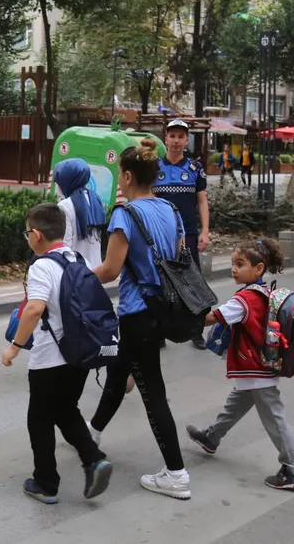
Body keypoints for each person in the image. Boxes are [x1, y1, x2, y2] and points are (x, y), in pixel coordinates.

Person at [86, 137, 192, 500]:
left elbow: (111, 270)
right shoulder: (171, 211)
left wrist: (77, 274)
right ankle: (92, 433)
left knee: (153, 394)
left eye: (119, 174)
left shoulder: (124, 215)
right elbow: (178, 258)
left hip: (137, 313)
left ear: (128, 176)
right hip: (162, 310)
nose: (119, 180)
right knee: (118, 373)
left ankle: (176, 473)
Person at [1, 203, 114, 504]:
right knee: (65, 410)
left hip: (50, 358)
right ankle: (93, 459)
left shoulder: (41, 266)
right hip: (79, 355)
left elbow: (35, 309)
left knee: (38, 418)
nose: (27, 238)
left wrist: (14, 347)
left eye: (27, 233)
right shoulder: (76, 258)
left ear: (37, 235)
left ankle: (45, 482)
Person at [185, 239, 294, 492]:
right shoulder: (262, 292)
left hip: (256, 369)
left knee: (275, 419)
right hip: (255, 368)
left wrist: (181, 320)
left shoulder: (246, 299)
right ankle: (211, 437)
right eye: (232, 263)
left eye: (240, 264)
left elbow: (214, 317)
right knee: (234, 406)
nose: (233, 269)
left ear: (259, 268)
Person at [151, 119, 210, 349]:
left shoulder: (195, 169)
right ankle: (159, 331)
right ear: (165, 138)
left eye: (180, 137)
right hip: (158, 236)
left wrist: (205, 231)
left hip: (188, 236)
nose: (176, 141)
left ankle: (196, 331)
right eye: (172, 136)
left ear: (187, 140)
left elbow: (202, 202)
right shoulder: (154, 168)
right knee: (158, 283)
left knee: (192, 283)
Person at [53, 159, 105, 269]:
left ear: (66, 181)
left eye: (59, 182)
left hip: (76, 273)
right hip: (96, 270)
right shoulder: (96, 201)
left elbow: (65, 245)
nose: (58, 187)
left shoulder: (65, 205)